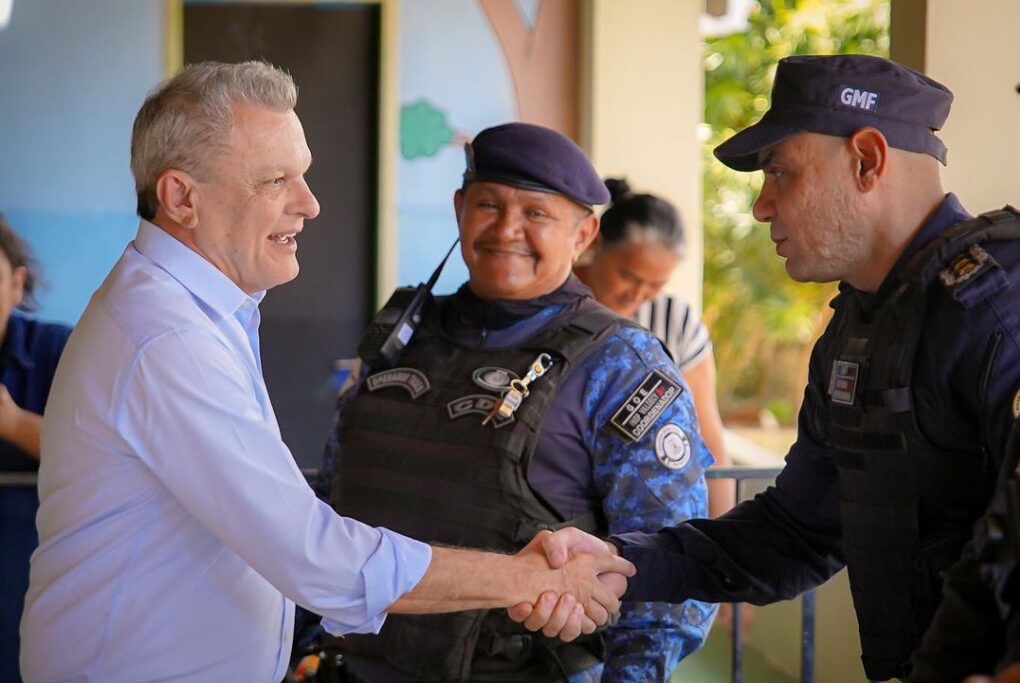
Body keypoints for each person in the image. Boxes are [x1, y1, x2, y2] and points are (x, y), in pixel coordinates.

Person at [18, 61, 632, 683]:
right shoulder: (168, 337)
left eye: (302, 175)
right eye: (275, 180)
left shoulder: (199, 312)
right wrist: (529, 576)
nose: (309, 204)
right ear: (182, 197)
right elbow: (320, 559)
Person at [512, 54, 1020, 682]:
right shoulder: (859, 330)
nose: (761, 206)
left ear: (867, 160)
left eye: (780, 172)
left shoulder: (1000, 307)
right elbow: (796, 533)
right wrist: (621, 560)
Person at [324, 122, 717, 682]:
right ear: (461, 208)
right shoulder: (403, 335)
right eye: (489, 204)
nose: (507, 229)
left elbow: (673, 566)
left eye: (536, 213)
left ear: (583, 235)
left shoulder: (621, 362)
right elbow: (336, 495)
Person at [573, 178, 734, 518]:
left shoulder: (675, 321)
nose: (638, 294)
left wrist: (723, 547)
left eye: (655, 285)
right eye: (628, 276)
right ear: (596, 241)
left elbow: (709, 440)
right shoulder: (558, 302)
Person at [0, 213, 71, 683]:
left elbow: (107, 455)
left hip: (31, 589)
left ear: (16, 283)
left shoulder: (62, 349)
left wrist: (13, 422)